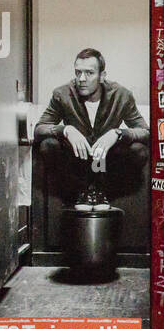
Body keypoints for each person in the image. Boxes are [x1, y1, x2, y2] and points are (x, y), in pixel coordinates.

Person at [33, 48, 149, 210]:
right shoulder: (62, 93)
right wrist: (66, 130)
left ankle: (103, 191)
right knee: (48, 145)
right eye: (78, 72)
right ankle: (80, 192)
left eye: (89, 73)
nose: (82, 79)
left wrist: (117, 133)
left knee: (140, 150)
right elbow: (39, 129)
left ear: (102, 76)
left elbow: (145, 132)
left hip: (106, 162)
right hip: (76, 163)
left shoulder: (121, 95)